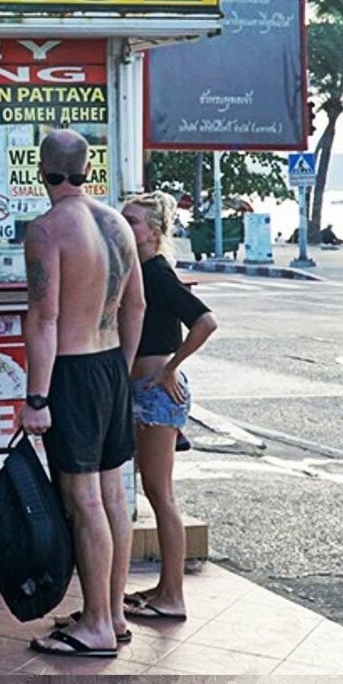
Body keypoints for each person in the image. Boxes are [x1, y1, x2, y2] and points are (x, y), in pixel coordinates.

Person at [21, 129, 144, 659]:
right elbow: (135, 306)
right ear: (87, 170)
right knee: (113, 494)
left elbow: (45, 318)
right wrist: (122, 370)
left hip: (70, 372)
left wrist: (37, 397)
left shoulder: (47, 230)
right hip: (110, 365)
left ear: (42, 172)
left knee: (83, 497)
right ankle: (112, 614)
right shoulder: (117, 223)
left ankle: (94, 624)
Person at [117, 191, 217, 620]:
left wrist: (170, 368)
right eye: (123, 219)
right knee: (155, 492)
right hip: (144, 391)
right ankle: (164, 588)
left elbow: (205, 321)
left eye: (134, 222)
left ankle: (173, 595)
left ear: (154, 233)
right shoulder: (136, 271)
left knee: (161, 495)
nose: (125, 227)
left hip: (157, 393)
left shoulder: (156, 272)